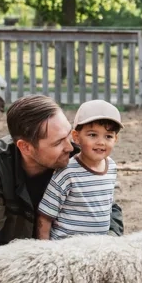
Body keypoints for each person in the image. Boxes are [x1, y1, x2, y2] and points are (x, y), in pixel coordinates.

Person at [0, 96, 124, 271]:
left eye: (68, 135)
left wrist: (106, 245)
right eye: (59, 142)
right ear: (26, 147)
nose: (69, 147)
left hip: (45, 253)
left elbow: (107, 204)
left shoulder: (77, 156)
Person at [36, 100, 121, 240]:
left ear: (115, 139)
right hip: (66, 250)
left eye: (108, 136)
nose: (101, 142)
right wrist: (44, 250)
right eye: (93, 135)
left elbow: (107, 206)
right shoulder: (67, 172)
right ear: (76, 137)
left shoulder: (111, 167)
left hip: (98, 248)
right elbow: (45, 216)